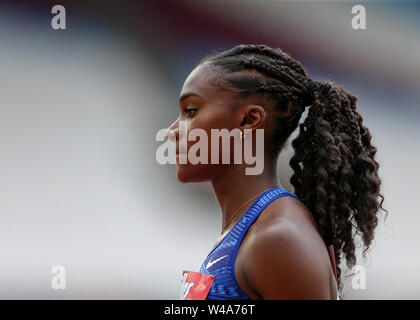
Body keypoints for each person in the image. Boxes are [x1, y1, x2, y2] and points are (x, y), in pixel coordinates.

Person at [167, 44, 387, 300]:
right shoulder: (251, 231)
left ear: (249, 120)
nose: (172, 131)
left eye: (190, 111)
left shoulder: (277, 239)